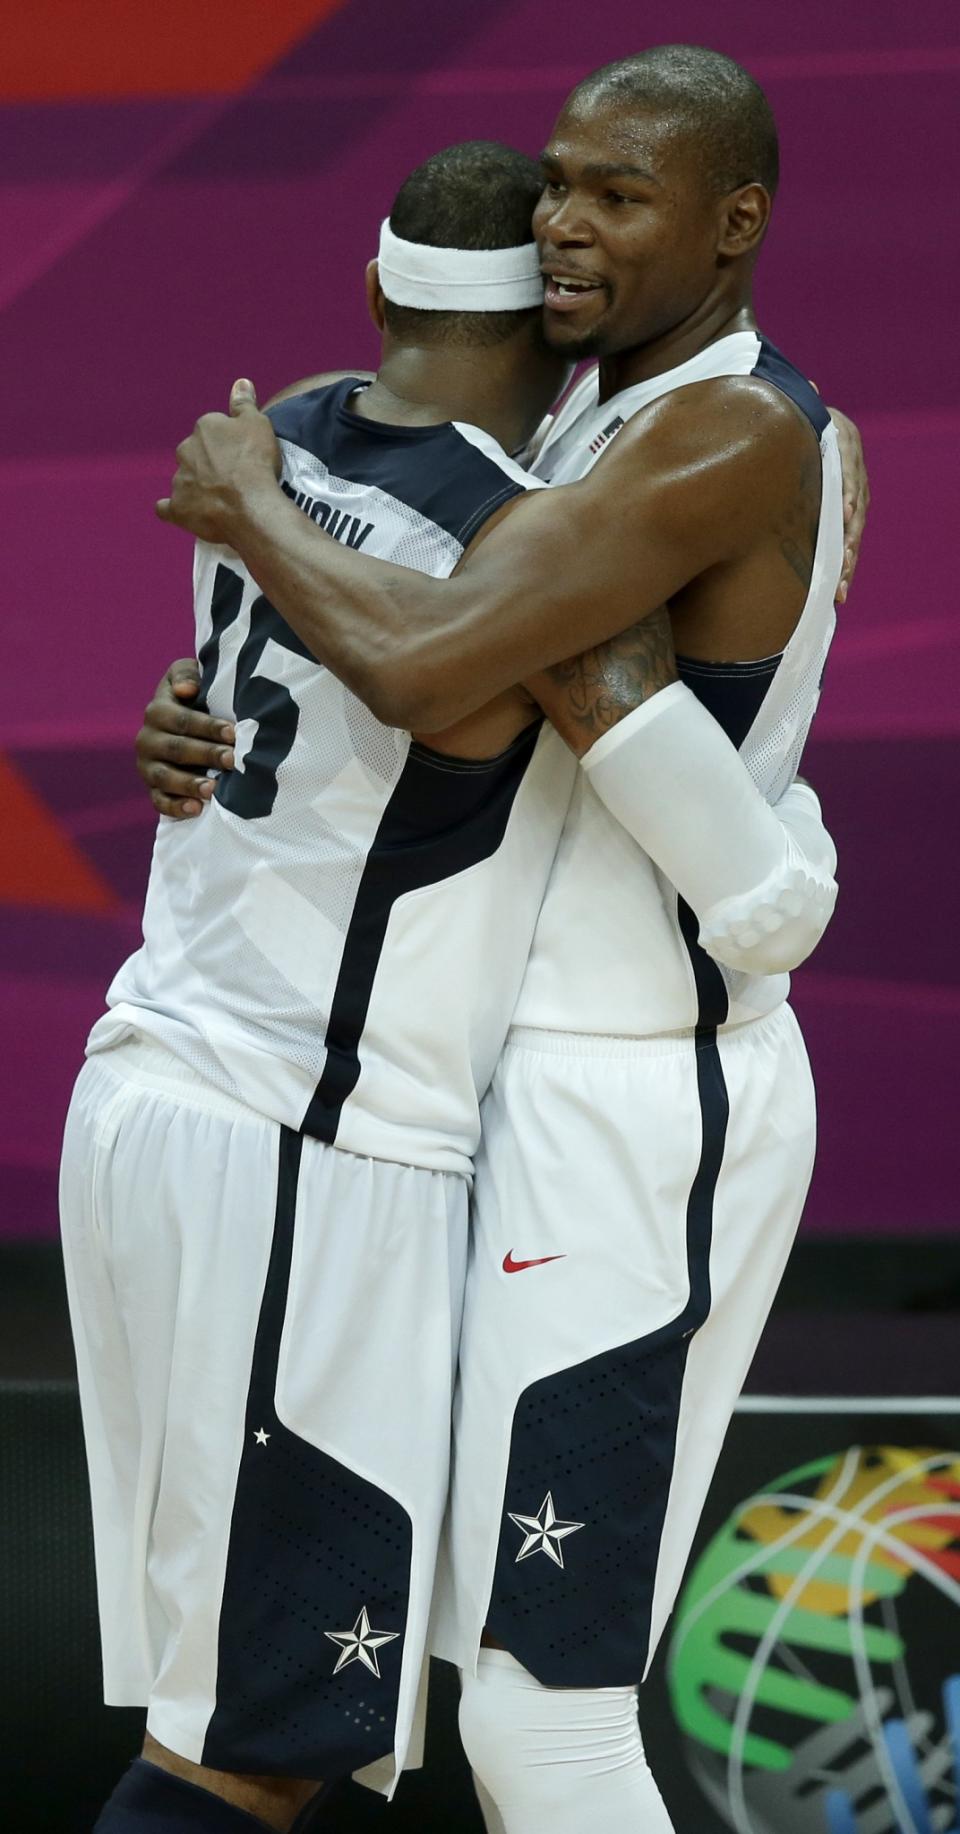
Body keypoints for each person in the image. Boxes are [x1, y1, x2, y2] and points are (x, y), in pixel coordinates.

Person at [63, 129, 844, 1834]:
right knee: (272, 1732)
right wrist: (784, 869)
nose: (574, 218)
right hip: (307, 1133)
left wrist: (249, 528)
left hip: (197, 1084)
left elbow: (389, 659)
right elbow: (436, 664)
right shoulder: (528, 504)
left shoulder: (313, 439)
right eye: (562, 192)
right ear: (550, 328)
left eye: (618, 194)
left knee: (451, 1708)